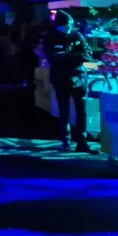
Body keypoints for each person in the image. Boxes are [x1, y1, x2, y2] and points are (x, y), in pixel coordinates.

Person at [44, 10, 94, 152]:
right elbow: (53, 57)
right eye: (66, 26)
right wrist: (75, 56)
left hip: (79, 77)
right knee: (64, 110)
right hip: (61, 78)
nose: (69, 28)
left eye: (70, 25)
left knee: (81, 110)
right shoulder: (51, 37)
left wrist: (67, 56)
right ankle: (65, 140)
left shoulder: (77, 35)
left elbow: (88, 54)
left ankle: (82, 141)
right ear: (58, 26)